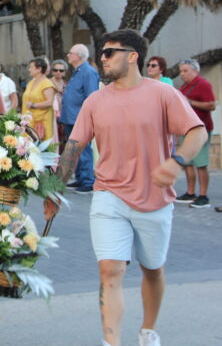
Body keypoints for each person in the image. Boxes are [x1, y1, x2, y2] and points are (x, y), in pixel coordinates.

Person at [43, 29, 207, 346]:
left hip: (155, 200)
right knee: (110, 271)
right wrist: (55, 190)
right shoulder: (96, 101)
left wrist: (176, 162)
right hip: (109, 197)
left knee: (153, 270)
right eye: (101, 53)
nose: (102, 58)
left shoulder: (163, 94)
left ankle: (148, 330)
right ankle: (112, 342)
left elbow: (196, 133)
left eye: (109, 52)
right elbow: (73, 148)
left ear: (132, 56)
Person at [175, 58, 216, 209]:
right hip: (187, 128)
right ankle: (190, 192)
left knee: (201, 163)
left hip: (201, 129)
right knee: (188, 162)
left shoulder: (203, 84)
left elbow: (211, 105)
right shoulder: (186, 86)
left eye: (185, 71)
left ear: (195, 70)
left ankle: (203, 196)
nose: (182, 74)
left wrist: (190, 102)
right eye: (181, 71)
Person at [61, 43, 100, 193]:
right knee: (75, 149)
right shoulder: (78, 71)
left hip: (79, 117)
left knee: (83, 149)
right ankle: (80, 177)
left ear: (78, 56)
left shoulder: (88, 72)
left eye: (70, 53)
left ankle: (88, 180)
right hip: (71, 116)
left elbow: (91, 95)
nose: (68, 56)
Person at [21, 58, 56, 142]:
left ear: (39, 69)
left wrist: (33, 105)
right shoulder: (30, 83)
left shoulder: (46, 83)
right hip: (29, 121)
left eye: (31, 67)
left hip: (41, 122)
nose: (29, 70)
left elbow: (49, 102)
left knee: (41, 147)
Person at [50, 59, 68, 145]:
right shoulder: (48, 83)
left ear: (64, 72)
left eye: (61, 70)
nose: (58, 72)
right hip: (52, 115)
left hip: (64, 114)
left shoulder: (67, 84)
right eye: (55, 70)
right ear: (52, 71)